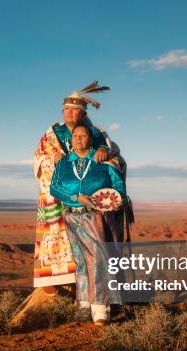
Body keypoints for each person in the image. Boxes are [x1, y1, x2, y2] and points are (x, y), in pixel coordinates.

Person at [33, 81, 127, 293]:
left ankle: (97, 290)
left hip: (88, 198)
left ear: (83, 114)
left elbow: (113, 154)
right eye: (66, 109)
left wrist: (104, 151)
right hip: (61, 191)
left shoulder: (95, 132)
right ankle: (56, 278)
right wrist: (51, 159)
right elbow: (39, 156)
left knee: (93, 242)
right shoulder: (52, 133)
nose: (69, 113)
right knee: (58, 235)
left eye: (75, 110)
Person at [50, 124, 125, 325]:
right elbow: (54, 188)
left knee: (98, 259)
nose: (79, 139)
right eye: (75, 136)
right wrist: (76, 197)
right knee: (81, 260)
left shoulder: (104, 160)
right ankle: (83, 304)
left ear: (91, 139)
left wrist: (116, 201)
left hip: (94, 216)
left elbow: (118, 185)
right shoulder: (64, 162)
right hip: (71, 215)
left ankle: (101, 308)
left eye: (83, 136)